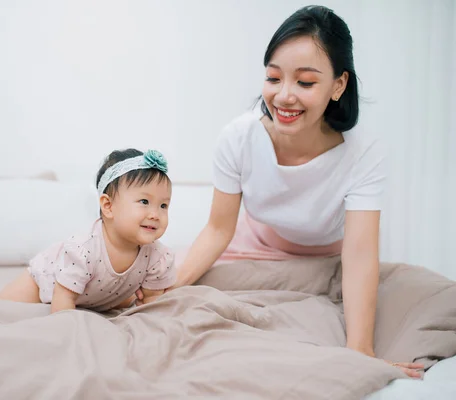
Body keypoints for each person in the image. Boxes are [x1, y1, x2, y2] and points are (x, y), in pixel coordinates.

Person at [136, 5, 423, 378]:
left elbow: (359, 255)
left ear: (339, 85)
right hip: (249, 251)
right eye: (274, 79)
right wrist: (166, 287)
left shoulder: (364, 153)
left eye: (305, 83)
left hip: (324, 266)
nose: (284, 97)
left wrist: (361, 351)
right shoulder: (238, 137)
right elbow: (219, 231)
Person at [0, 148, 176, 313]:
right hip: (47, 282)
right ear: (108, 206)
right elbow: (64, 298)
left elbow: (152, 302)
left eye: (163, 205)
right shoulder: (84, 249)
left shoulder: (157, 257)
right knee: (2, 308)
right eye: (144, 202)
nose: (155, 214)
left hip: (97, 296)